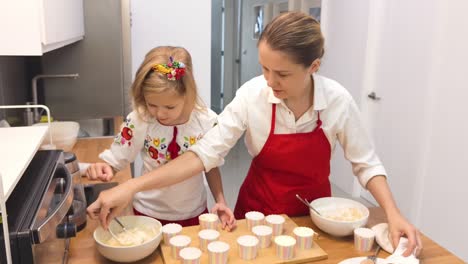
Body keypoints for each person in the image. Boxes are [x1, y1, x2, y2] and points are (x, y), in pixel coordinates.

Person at [88, 12, 422, 256]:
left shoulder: (337, 102)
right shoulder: (252, 95)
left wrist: (393, 214)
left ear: (313, 68)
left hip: (313, 218)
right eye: (264, 69)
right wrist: (130, 187)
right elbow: (203, 155)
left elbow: (366, 163)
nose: (269, 82)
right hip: (256, 213)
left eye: (282, 74)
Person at [86, 46, 235, 229]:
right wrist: (106, 167)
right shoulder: (141, 119)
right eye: (152, 104)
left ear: (188, 95)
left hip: (194, 213)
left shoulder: (207, 121)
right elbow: (118, 158)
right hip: (147, 213)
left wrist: (220, 200)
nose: (160, 113)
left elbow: (209, 165)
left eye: (170, 107)